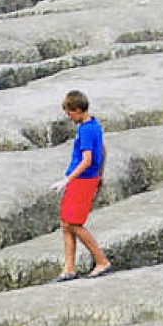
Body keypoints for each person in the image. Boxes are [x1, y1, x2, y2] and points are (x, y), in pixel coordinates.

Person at [50, 90, 113, 280]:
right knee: (66, 223)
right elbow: (103, 150)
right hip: (87, 179)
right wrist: (100, 175)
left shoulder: (86, 129)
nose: (69, 117)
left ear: (77, 110)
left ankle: (101, 261)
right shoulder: (94, 124)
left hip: (82, 180)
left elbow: (87, 159)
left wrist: (66, 180)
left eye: (70, 113)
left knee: (74, 224)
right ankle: (69, 267)